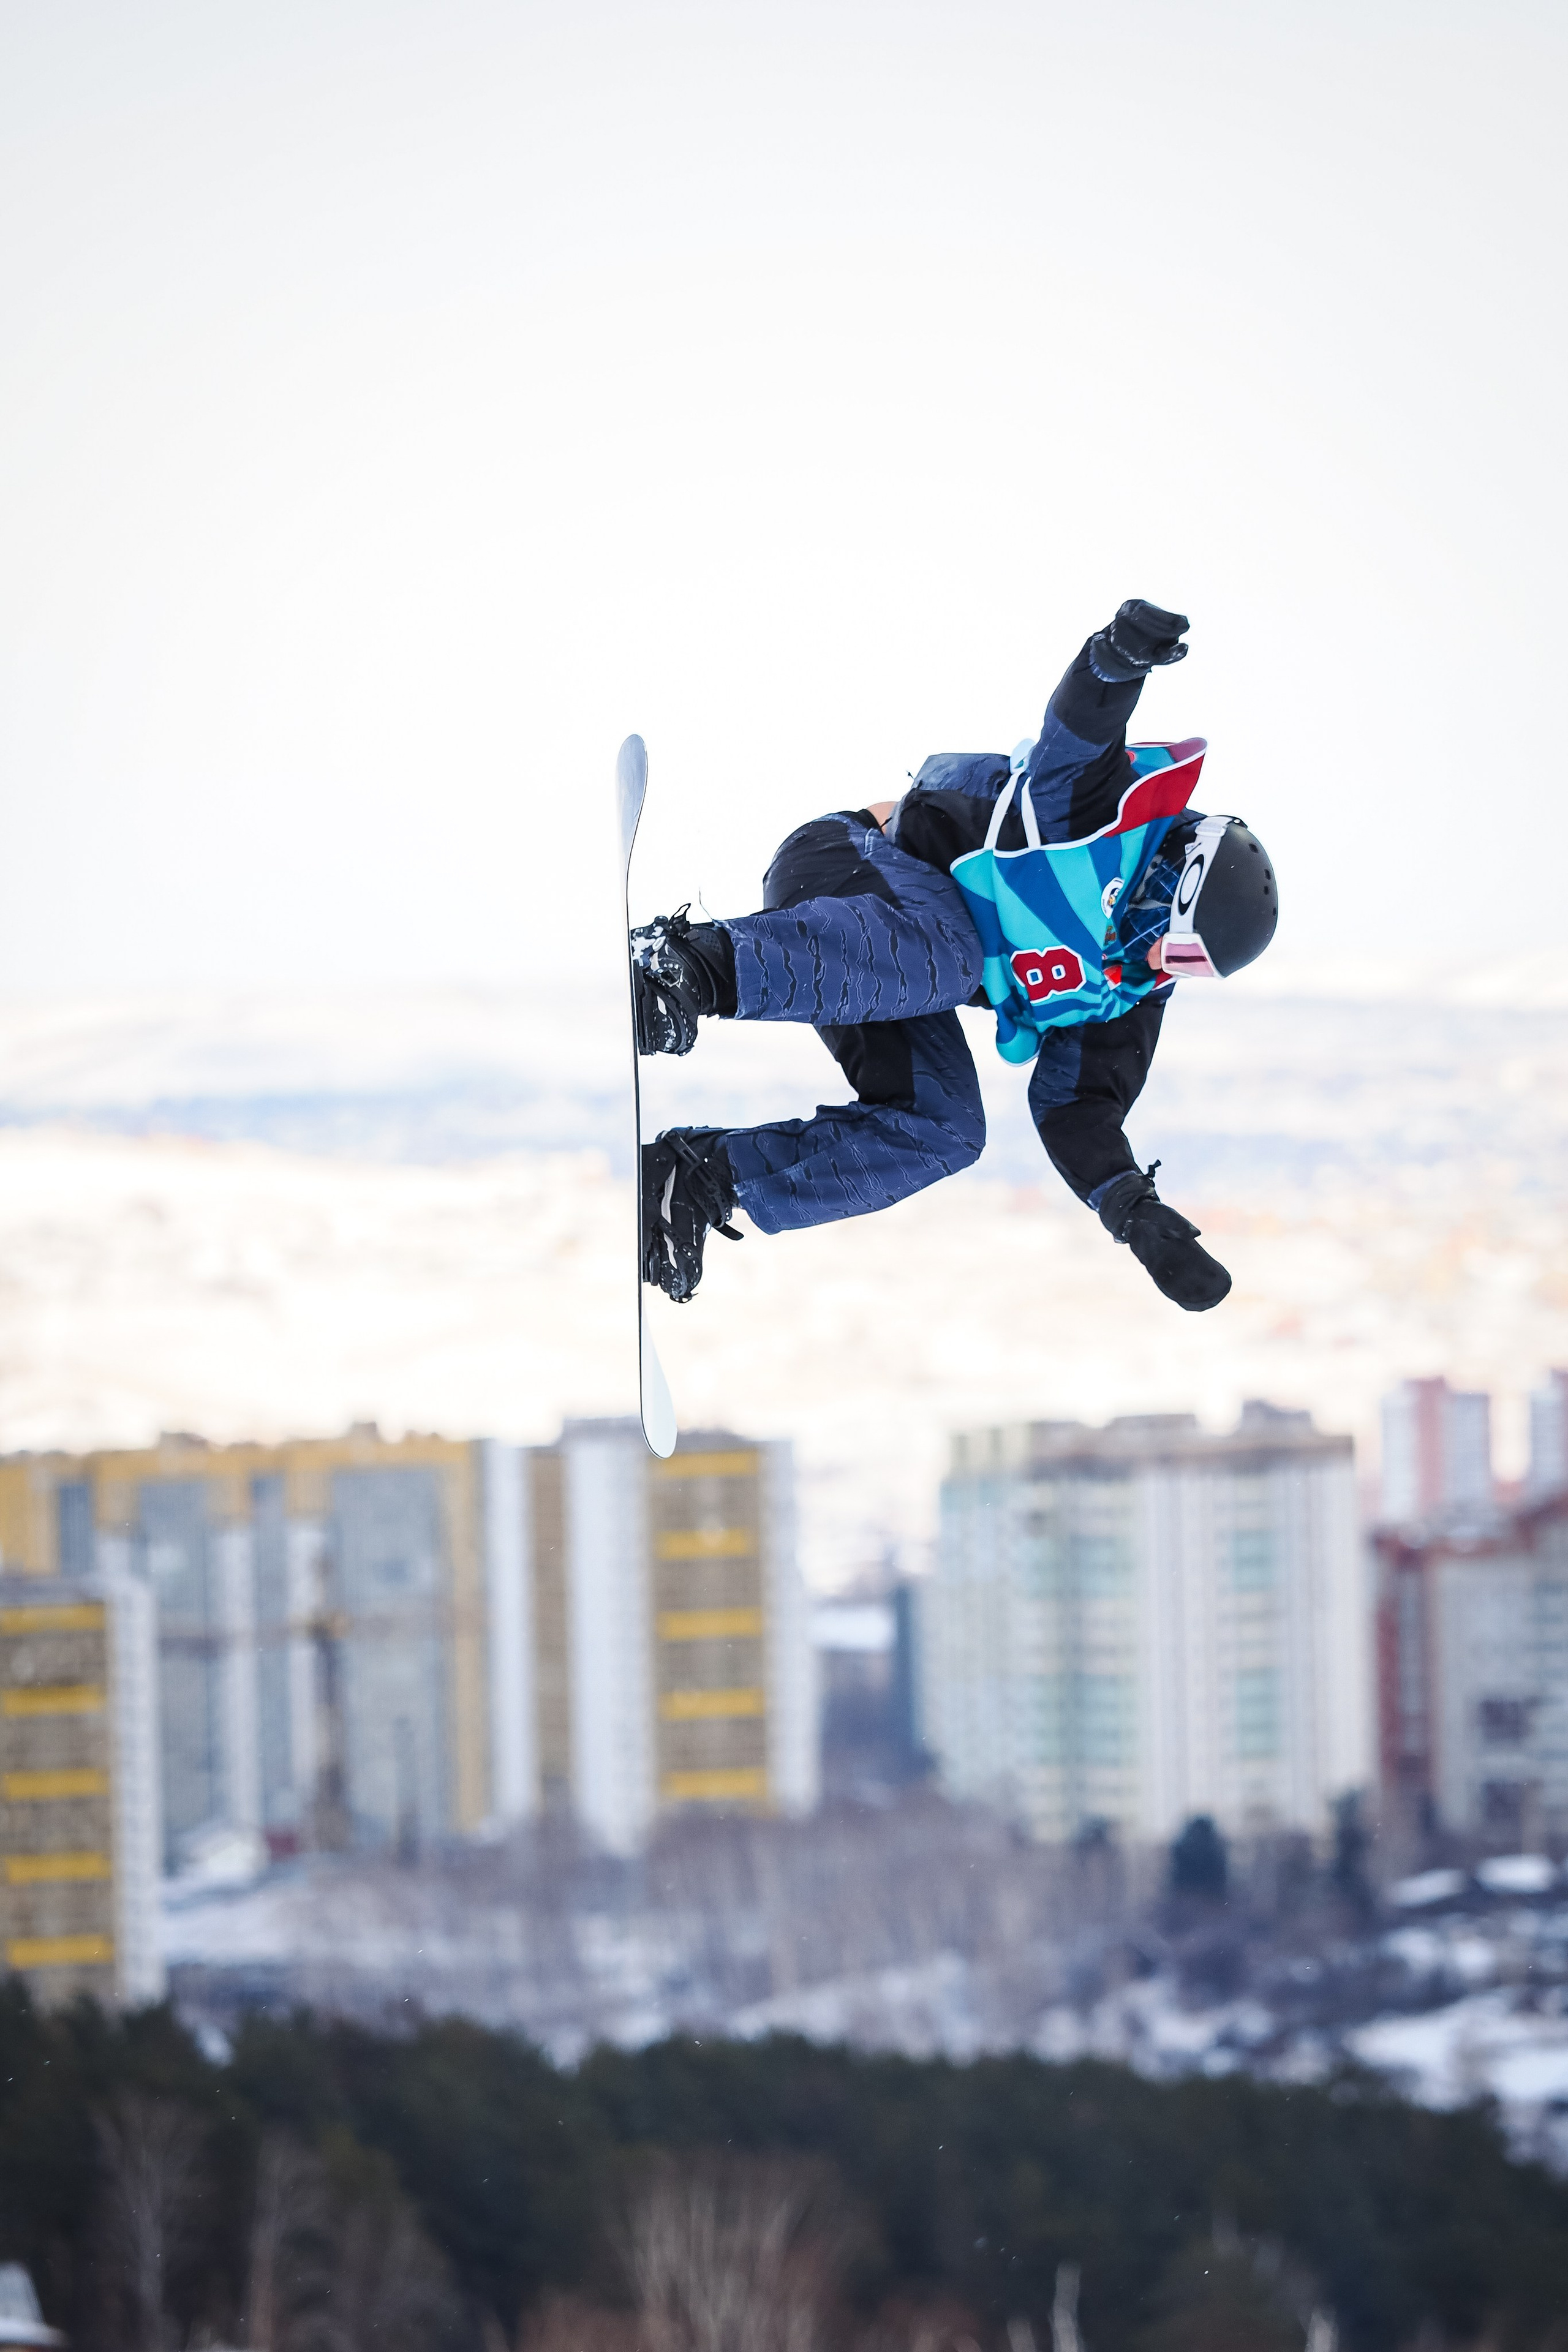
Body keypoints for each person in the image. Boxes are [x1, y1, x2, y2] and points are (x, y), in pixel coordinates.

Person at [631, 600, 1278, 1311]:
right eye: (1173, 942)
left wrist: (1134, 1212)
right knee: (951, 958)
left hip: (896, 976)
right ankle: (684, 968)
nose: (1161, 964)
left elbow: (1078, 1107)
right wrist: (1116, 660)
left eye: (1184, 967)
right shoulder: (1092, 820)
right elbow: (1080, 732)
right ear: (1168, 879)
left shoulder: (1126, 988)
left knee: (946, 1130)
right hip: (847, 868)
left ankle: (696, 1182)